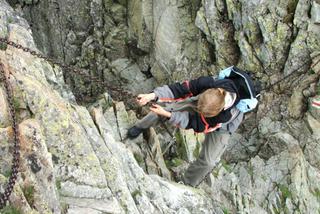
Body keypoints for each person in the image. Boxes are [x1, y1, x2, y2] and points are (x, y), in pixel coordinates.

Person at [127, 73, 244, 187]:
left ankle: (187, 183)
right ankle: (140, 127)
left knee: (208, 161)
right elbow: (177, 89)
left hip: (222, 127)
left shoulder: (225, 116)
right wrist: (152, 95)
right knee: (168, 108)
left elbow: (194, 124)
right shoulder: (207, 83)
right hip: (204, 103)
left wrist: (169, 115)